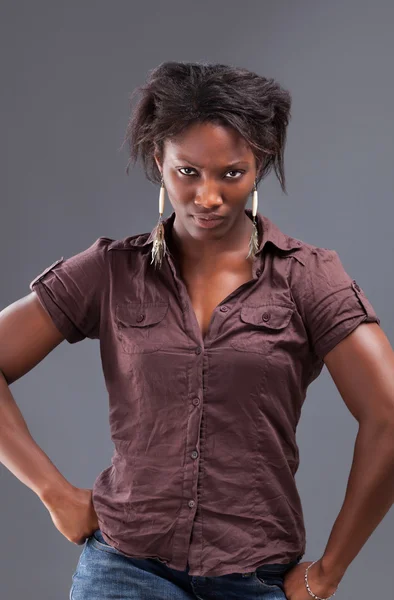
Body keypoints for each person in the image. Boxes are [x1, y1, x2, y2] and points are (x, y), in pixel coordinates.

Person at [0, 61, 393, 600]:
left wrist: (328, 573)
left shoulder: (309, 278)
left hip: (254, 578)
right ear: (159, 160)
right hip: (125, 570)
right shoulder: (111, 271)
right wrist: (53, 492)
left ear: (260, 166)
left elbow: (389, 415)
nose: (208, 197)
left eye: (231, 173)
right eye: (189, 172)